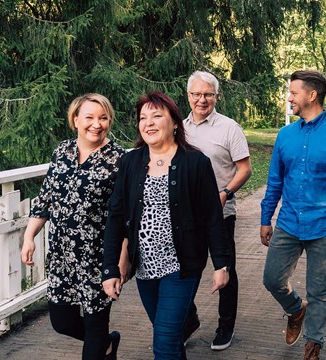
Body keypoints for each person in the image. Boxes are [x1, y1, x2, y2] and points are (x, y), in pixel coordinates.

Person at [102, 91, 231, 360]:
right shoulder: (130, 162)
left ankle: (184, 321)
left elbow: (212, 218)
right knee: (170, 338)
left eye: (156, 116)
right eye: (142, 118)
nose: (148, 122)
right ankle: (187, 320)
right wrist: (111, 267)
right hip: (145, 269)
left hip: (181, 267)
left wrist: (222, 265)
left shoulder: (196, 163)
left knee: (163, 343)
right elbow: (116, 216)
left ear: (174, 122)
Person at [260, 70, 326, 360]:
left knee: (318, 291)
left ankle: (313, 343)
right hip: (289, 224)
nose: (289, 98)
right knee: (271, 279)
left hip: (325, 226)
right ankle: (296, 309)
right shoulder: (285, 135)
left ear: (311, 95)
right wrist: (265, 218)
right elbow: (275, 182)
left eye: (293, 92)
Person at [21, 93, 125, 360]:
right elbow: (46, 197)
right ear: (75, 119)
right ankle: (107, 342)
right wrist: (30, 235)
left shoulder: (119, 160)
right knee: (62, 322)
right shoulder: (62, 151)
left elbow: (126, 216)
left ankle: (100, 341)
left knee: (94, 327)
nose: (96, 124)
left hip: (97, 257)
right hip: (61, 256)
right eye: (89, 117)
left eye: (103, 118)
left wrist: (121, 260)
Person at [182, 71, 252, 351]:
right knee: (185, 270)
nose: (202, 99)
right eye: (197, 94)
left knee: (225, 269)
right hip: (186, 214)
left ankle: (226, 326)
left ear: (216, 96)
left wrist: (225, 193)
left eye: (208, 94)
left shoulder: (229, 128)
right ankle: (188, 321)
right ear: (188, 96)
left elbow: (245, 169)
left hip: (221, 213)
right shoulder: (179, 127)